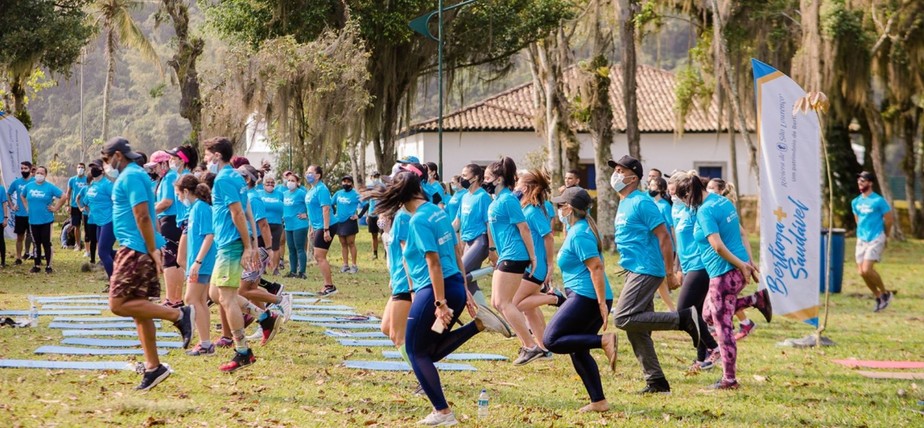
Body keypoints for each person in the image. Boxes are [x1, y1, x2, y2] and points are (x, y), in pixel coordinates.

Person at [367, 162, 511, 426]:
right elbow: (457, 251)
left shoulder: (419, 220)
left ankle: (443, 412)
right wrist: (463, 289)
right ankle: (478, 325)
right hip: (453, 283)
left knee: (415, 350)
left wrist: (440, 303)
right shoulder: (438, 212)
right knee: (428, 351)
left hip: (434, 290)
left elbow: (433, 262)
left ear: (403, 193)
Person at [102, 137, 194, 391]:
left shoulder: (131, 176)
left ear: (118, 155)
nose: (106, 164)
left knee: (118, 304)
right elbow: (152, 216)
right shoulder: (139, 175)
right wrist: (155, 245)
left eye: (107, 158)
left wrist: (152, 249)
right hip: (140, 245)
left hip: (134, 248)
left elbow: (142, 214)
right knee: (139, 311)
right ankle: (154, 367)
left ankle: (178, 314)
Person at [607, 155, 700, 394]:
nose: (616, 174)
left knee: (623, 318)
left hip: (646, 269)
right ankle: (657, 382)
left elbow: (664, 237)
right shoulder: (624, 201)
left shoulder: (642, 202)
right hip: (633, 268)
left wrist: (669, 273)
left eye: (620, 170)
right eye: (615, 169)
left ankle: (684, 319)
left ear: (633, 177)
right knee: (637, 328)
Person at [674, 171, 772, 390]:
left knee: (723, 326)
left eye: (684, 199)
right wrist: (746, 261)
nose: (685, 205)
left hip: (725, 272)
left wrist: (741, 265)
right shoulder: (722, 201)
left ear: (689, 193)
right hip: (733, 267)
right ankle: (756, 300)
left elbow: (717, 246)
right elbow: (739, 234)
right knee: (708, 314)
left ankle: (729, 379)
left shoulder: (705, 212)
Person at [544, 186, 617, 412]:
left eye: (560, 205)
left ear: (569, 208)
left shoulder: (580, 233)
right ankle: (599, 401)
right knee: (577, 349)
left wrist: (601, 304)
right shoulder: (577, 228)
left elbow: (596, 268)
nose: (558, 209)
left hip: (588, 297)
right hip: (583, 295)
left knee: (552, 340)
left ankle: (603, 341)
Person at [202, 136, 264, 372]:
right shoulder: (234, 178)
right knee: (215, 293)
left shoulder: (225, 180)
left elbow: (238, 213)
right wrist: (253, 242)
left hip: (231, 243)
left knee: (227, 298)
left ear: (217, 155)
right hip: (228, 242)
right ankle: (264, 317)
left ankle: (243, 351)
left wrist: (249, 246)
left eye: (208, 156)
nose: (206, 161)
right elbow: (245, 210)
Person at [484, 157, 538, 361]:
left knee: (504, 302)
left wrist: (533, 258)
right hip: (506, 253)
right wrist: (492, 249)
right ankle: (527, 344)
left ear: (498, 179)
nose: (484, 181)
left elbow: (523, 228)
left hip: (515, 254)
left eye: (488, 177)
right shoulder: (496, 201)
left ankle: (532, 346)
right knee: (497, 302)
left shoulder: (508, 200)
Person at [510, 169, 564, 365]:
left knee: (514, 304)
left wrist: (550, 265)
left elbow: (548, 236)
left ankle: (554, 298)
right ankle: (542, 347)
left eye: (518, 183)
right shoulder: (527, 208)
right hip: (529, 265)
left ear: (525, 188)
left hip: (536, 267)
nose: (515, 186)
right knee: (529, 308)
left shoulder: (533, 211)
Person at [668, 173, 720, 371]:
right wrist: (677, 267)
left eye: (676, 191)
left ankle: (714, 347)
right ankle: (701, 357)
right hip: (688, 265)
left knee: (683, 310)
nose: (672, 195)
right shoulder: (675, 208)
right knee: (694, 312)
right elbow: (679, 242)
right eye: (670, 191)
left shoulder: (696, 209)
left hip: (701, 264)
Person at [238, 164, 289, 344]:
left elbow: (263, 225)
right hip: (251, 247)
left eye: (241, 175)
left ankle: (280, 300)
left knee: (244, 289)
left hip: (257, 248)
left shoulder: (254, 198)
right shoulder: (245, 196)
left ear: (248, 179)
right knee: (250, 289)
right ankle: (263, 322)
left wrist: (267, 250)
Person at [707, 178, 757, 339]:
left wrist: (749, 260)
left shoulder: (723, 206)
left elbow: (742, 233)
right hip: (719, 261)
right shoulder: (713, 205)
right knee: (722, 299)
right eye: (707, 187)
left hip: (728, 261)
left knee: (721, 300)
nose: (709, 190)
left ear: (721, 190)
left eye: (712, 188)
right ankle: (743, 323)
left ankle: (736, 323)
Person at [176, 175, 217, 356]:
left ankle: (205, 343)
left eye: (178, 194)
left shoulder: (201, 208)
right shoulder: (194, 209)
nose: (178, 198)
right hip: (198, 262)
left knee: (191, 299)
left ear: (186, 191)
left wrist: (198, 262)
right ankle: (205, 342)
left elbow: (209, 235)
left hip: (203, 262)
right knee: (200, 300)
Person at [852, 171, 894, 312]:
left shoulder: (878, 201)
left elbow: (889, 219)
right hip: (861, 238)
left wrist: (885, 236)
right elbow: (857, 220)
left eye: (863, 181)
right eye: (859, 181)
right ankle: (878, 296)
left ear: (870, 183)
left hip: (876, 237)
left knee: (867, 269)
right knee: (861, 272)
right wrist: (860, 234)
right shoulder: (855, 202)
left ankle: (885, 293)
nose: (860, 184)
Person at [453, 164, 492, 307]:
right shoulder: (464, 197)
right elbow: (457, 222)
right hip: (467, 242)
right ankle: (486, 315)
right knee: (470, 282)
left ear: (475, 177)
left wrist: (492, 248)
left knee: (459, 275)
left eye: (464, 175)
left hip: (480, 241)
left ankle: (493, 269)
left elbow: (490, 224)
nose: (461, 178)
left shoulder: (483, 197)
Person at [377, 211, 413, 366]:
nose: (380, 218)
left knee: (397, 337)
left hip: (406, 285)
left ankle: (424, 377)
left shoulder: (402, 219)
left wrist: (413, 287)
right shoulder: (388, 233)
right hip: (398, 283)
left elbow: (408, 255)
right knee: (386, 327)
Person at [22, 166, 66, 273]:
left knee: (46, 243)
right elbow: (22, 196)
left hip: (46, 220)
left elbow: (64, 196)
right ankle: (36, 265)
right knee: (36, 243)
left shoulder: (50, 187)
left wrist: (56, 208)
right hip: (33, 220)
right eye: (38, 172)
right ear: (34, 174)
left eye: (42, 173)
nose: (39, 175)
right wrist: (27, 207)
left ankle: (48, 266)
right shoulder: (29, 186)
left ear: (45, 175)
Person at [305, 165, 338, 296]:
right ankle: (327, 285)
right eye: (307, 172)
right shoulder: (311, 190)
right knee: (318, 256)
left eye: (311, 172)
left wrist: (326, 229)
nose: (308, 174)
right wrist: (311, 228)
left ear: (318, 175)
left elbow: (326, 209)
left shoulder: (322, 189)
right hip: (317, 226)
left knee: (319, 256)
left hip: (327, 225)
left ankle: (329, 286)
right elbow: (311, 211)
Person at [83, 160, 116, 282]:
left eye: (95, 167)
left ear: (102, 170)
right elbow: (85, 201)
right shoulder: (92, 185)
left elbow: (117, 201)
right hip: (98, 223)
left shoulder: (107, 184)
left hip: (109, 221)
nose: (92, 170)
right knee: (108, 251)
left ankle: (114, 282)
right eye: (91, 167)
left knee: (102, 253)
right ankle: (130, 256)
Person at [648, 176, 676, 312]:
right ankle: (670, 307)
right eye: (650, 185)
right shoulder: (652, 204)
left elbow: (672, 227)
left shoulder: (665, 206)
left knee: (662, 279)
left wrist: (676, 247)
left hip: (665, 247)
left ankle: (672, 307)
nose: (650, 188)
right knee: (659, 280)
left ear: (661, 189)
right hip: (655, 246)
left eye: (653, 186)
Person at [332, 175, 361, 274]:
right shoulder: (338, 193)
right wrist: (334, 213)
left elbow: (366, 204)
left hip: (350, 221)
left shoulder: (355, 194)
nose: (346, 183)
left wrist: (359, 215)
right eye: (344, 181)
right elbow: (331, 204)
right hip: (339, 221)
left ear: (352, 183)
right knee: (343, 243)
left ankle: (354, 265)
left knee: (351, 243)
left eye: (348, 182)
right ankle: (345, 265)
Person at [282, 174, 309, 279]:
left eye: (292, 180)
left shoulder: (301, 193)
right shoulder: (284, 194)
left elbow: (310, 205)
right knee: (291, 249)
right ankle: (293, 271)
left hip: (299, 225)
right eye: (288, 180)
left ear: (298, 182)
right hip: (288, 226)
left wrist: (306, 215)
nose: (290, 182)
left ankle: (302, 272)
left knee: (300, 249)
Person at [258, 173, 285, 275]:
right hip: (263, 224)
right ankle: (262, 268)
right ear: (264, 184)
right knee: (262, 246)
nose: (270, 184)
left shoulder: (279, 194)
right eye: (267, 182)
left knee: (275, 247)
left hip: (276, 223)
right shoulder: (259, 193)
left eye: (272, 182)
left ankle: (275, 268)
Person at [9, 161, 35, 264]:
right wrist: (12, 205)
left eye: (25, 168)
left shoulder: (34, 182)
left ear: (30, 169)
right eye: (22, 168)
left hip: (32, 214)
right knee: (20, 237)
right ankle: (18, 257)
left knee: (33, 236)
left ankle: (34, 255)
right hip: (20, 214)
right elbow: (8, 193)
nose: (23, 170)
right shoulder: (16, 182)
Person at [64, 163, 89, 252]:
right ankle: (77, 245)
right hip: (75, 206)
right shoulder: (72, 180)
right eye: (79, 167)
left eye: (82, 167)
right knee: (76, 226)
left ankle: (87, 247)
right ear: (76, 169)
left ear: (85, 169)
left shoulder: (87, 179)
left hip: (86, 206)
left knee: (87, 227)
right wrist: (67, 204)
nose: (80, 169)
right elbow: (68, 192)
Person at [362, 172, 384, 260]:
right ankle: (375, 254)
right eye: (375, 177)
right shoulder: (370, 188)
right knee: (375, 235)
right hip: (372, 214)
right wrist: (367, 215)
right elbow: (368, 203)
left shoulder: (383, 187)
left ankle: (386, 253)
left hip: (381, 214)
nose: (376, 179)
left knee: (383, 234)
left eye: (377, 177)